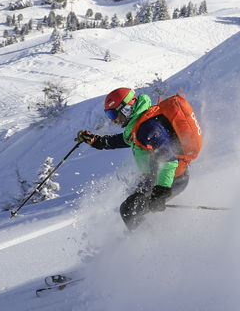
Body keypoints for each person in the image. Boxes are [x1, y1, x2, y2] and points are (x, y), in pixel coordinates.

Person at [76, 87, 191, 230]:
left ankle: (149, 240)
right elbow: (125, 140)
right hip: (154, 177)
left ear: (126, 108)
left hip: (173, 179)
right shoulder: (138, 125)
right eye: (109, 115)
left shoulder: (148, 128)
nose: (113, 120)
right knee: (131, 204)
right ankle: (147, 233)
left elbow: (169, 159)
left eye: (113, 114)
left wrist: (162, 191)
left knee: (129, 210)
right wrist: (98, 141)